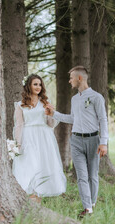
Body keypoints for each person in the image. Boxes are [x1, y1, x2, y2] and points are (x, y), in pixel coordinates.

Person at [45, 66, 108, 217]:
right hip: (76, 141)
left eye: (71, 78)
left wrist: (103, 141)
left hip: (93, 140)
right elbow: (73, 118)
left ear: (79, 78)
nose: (69, 81)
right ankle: (87, 208)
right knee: (81, 176)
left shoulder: (96, 97)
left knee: (92, 175)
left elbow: (103, 120)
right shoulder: (74, 99)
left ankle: (92, 204)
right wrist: (54, 114)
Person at [12, 74, 66, 200]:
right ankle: (29, 193)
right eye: (35, 84)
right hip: (28, 136)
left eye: (40, 84)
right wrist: (18, 143)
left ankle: (40, 194)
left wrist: (51, 113)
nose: (38, 87)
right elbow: (19, 125)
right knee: (30, 164)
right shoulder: (20, 105)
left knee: (43, 164)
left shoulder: (46, 103)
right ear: (28, 86)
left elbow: (51, 124)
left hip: (44, 136)